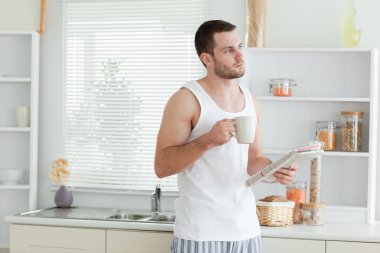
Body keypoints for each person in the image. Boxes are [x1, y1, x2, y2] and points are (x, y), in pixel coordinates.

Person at [154, 20, 298, 253]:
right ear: (207, 59)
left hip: (245, 231)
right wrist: (207, 140)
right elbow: (162, 166)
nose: (240, 56)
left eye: (239, 47)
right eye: (229, 50)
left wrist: (275, 170)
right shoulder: (186, 100)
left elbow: (254, 160)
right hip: (199, 232)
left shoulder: (252, 102)